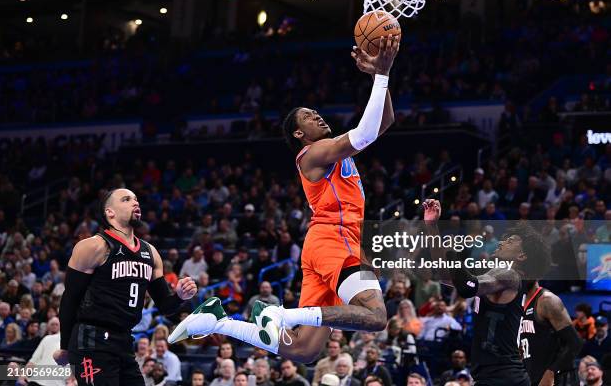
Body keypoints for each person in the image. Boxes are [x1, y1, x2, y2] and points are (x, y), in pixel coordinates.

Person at [170, 36, 401, 362]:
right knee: (376, 316)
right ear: (298, 134)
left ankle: (219, 321)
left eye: (317, 112)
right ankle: (283, 315)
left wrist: (382, 76)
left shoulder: (329, 149)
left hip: (324, 244)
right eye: (308, 116)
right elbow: (365, 133)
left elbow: (383, 122)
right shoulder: (313, 153)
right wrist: (382, 73)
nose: (317, 116)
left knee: (304, 350)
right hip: (334, 238)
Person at [52, 188, 197, 385]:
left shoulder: (150, 252)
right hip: (91, 339)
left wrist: (180, 296)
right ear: (109, 212)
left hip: (125, 341)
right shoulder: (93, 246)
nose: (135, 203)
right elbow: (70, 298)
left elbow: (165, 306)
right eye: (126, 199)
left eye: (136, 199)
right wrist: (65, 346)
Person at [427, 200, 552, 386]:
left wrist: (454, 251)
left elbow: (466, 287)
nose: (502, 242)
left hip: (504, 378)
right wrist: (431, 226)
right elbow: (444, 273)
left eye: (510, 241)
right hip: (494, 377)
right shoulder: (491, 276)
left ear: (522, 256)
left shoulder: (510, 275)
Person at [519, 280, 583, 385]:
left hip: (559, 378)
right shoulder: (519, 304)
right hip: (535, 377)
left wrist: (550, 373)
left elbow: (575, 342)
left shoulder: (547, 300)